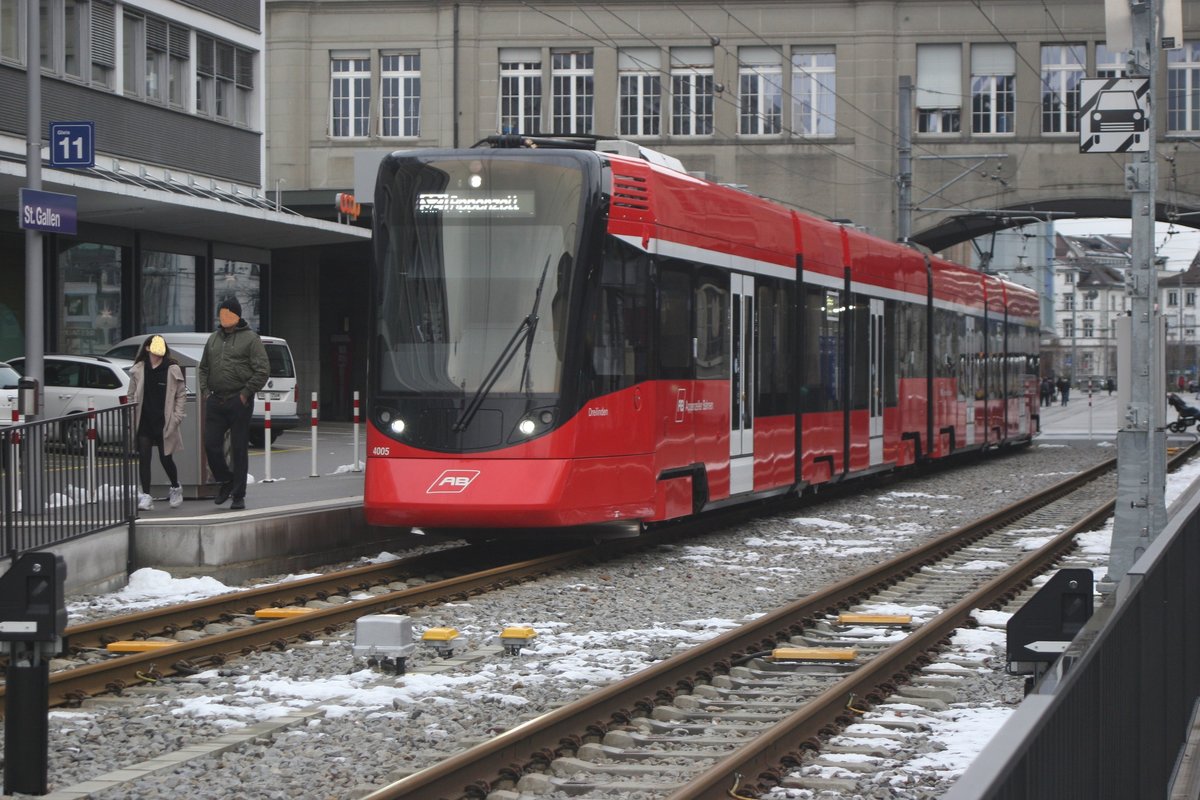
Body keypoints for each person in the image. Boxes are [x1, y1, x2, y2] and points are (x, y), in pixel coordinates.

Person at [198, 297, 268, 510]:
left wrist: (245, 394)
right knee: (211, 445)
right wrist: (205, 392)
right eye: (222, 313)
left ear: (237, 316)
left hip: (239, 400)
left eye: (229, 313)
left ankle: (238, 494)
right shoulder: (213, 339)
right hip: (215, 399)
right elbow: (203, 368)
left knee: (239, 449)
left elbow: (262, 370)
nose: (224, 317)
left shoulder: (251, 339)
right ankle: (226, 479)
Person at [127, 335, 187, 511]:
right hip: (144, 419)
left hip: (164, 420)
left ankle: (175, 487)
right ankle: (146, 496)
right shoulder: (139, 369)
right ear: (147, 348)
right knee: (144, 459)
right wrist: (132, 415)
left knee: (165, 458)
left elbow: (181, 394)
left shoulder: (171, 368)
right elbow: (130, 394)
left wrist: (177, 417)